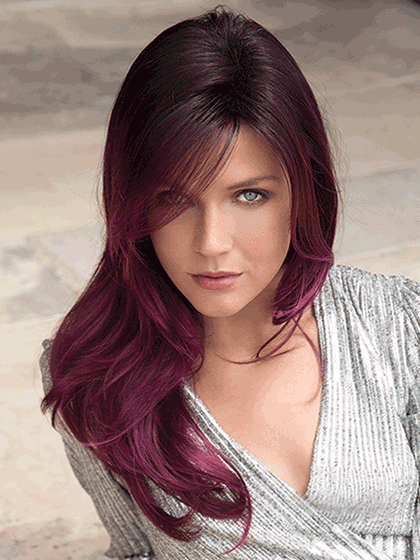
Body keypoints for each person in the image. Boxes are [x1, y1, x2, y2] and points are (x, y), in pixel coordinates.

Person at [39, 5, 420, 559]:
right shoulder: (98, 380)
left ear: (304, 192)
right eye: (174, 198)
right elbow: (135, 550)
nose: (212, 242)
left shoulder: (399, 327)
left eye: (250, 195)